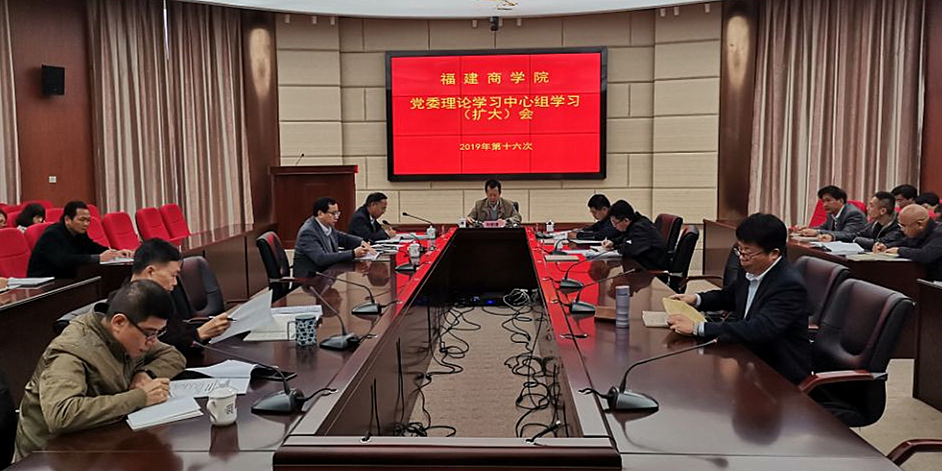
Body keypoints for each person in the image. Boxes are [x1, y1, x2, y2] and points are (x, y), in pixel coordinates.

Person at [14, 280, 186, 460]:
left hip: (98, 442)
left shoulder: (129, 334)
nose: (153, 341)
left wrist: (144, 374)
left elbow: (173, 356)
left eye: (158, 333)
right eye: (150, 333)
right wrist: (139, 397)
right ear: (119, 322)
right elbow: (61, 414)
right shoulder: (71, 350)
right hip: (49, 457)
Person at [666, 213, 811, 385]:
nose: (741, 258)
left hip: (777, 371)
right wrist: (696, 299)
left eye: (747, 253)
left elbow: (759, 329)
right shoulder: (751, 267)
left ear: (774, 253)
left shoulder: (789, 285)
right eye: (739, 250)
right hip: (747, 355)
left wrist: (698, 328)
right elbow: (730, 295)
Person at [127, 239, 231, 355]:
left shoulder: (159, 298)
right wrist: (200, 334)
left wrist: (207, 330)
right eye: (172, 275)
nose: (175, 283)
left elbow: (176, 334)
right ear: (150, 272)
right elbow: (152, 351)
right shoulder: (128, 306)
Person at [27, 201, 133, 278]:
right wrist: (98, 258)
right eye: (82, 220)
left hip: (67, 276)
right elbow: (63, 260)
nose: (86, 224)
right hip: (46, 281)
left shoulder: (79, 232)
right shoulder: (51, 235)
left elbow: (91, 246)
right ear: (67, 220)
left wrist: (114, 253)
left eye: (88, 220)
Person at [293, 197, 375, 278]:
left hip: (326, 275)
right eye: (333, 213)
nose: (336, 217)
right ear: (320, 213)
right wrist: (353, 253)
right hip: (310, 280)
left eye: (337, 213)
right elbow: (321, 259)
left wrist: (361, 242)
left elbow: (343, 238)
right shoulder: (308, 232)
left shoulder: (327, 226)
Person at [875, 205, 942, 281]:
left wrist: (899, 250)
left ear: (919, 224)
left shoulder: (939, 233)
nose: (902, 229)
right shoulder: (920, 232)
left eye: (904, 226)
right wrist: (886, 247)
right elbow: (904, 242)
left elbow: (925, 255)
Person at [818, 191, 902, 250]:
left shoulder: (899, 226)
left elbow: (879, 243)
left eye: (871, 206)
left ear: (882, 211)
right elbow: (857, 234)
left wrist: (856, 239)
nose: (867, 208)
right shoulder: (875, 223)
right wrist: (833, 237)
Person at [600, 200, 669, 271]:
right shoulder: (634, 224)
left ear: (626, 220)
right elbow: (625, 237)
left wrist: (615, 247)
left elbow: (629, 250)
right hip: (641, 265)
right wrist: (613, 242)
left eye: (615, 223)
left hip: (651, 269)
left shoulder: (640, 228)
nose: (614, 226)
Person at [796, 185, 866, 239]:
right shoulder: (832, 213)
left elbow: (847, 234)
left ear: (840, 201)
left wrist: (817, 232)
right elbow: (823, 227)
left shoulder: (854, 214)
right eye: (823, 201)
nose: (824, 205)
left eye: (828, 200)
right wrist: (807, 229)